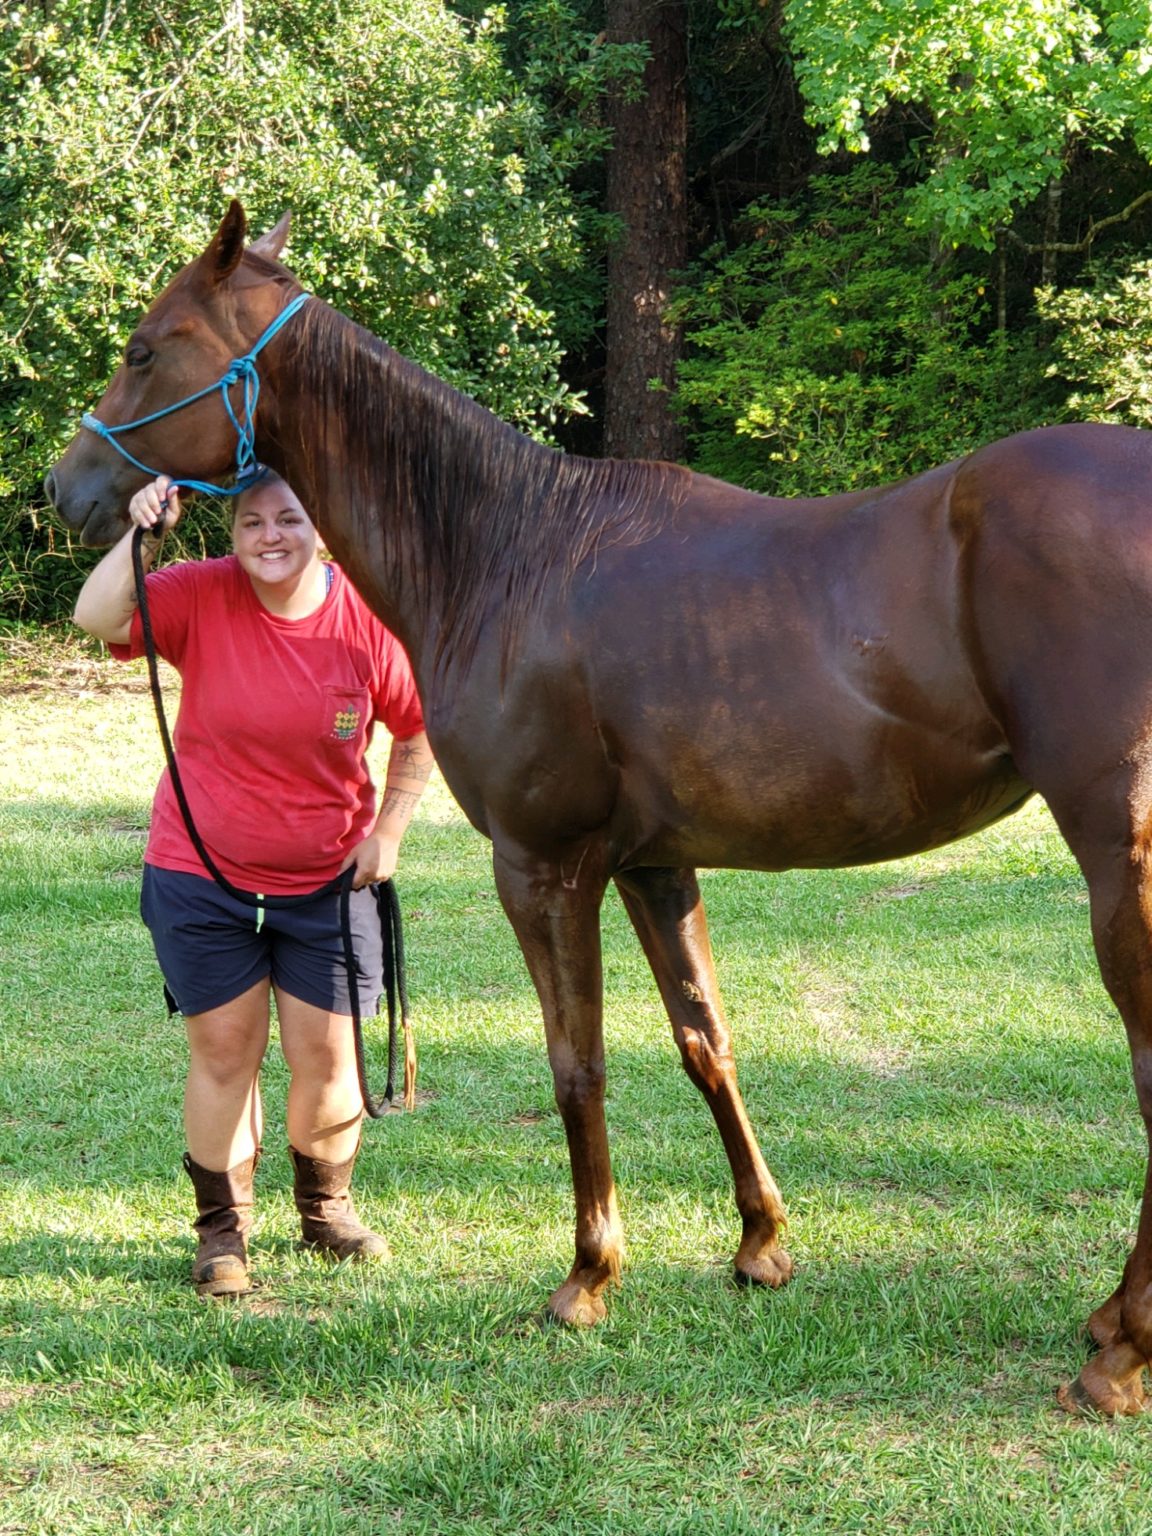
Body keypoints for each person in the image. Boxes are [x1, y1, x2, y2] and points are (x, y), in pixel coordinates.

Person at [73, 470, 434, 1297]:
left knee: (327, 1055)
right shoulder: (200, 593)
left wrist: (391, 832)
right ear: (231, 535)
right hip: (201, 875)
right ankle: (221, 1234)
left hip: (330, 884)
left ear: (324, 530)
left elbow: (416, 732)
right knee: (226, 1051)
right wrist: (146, 532)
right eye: (250, 522)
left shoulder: (367, 621)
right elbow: (98, 617)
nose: (270, 535)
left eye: (290, 519)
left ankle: (327, 1211)